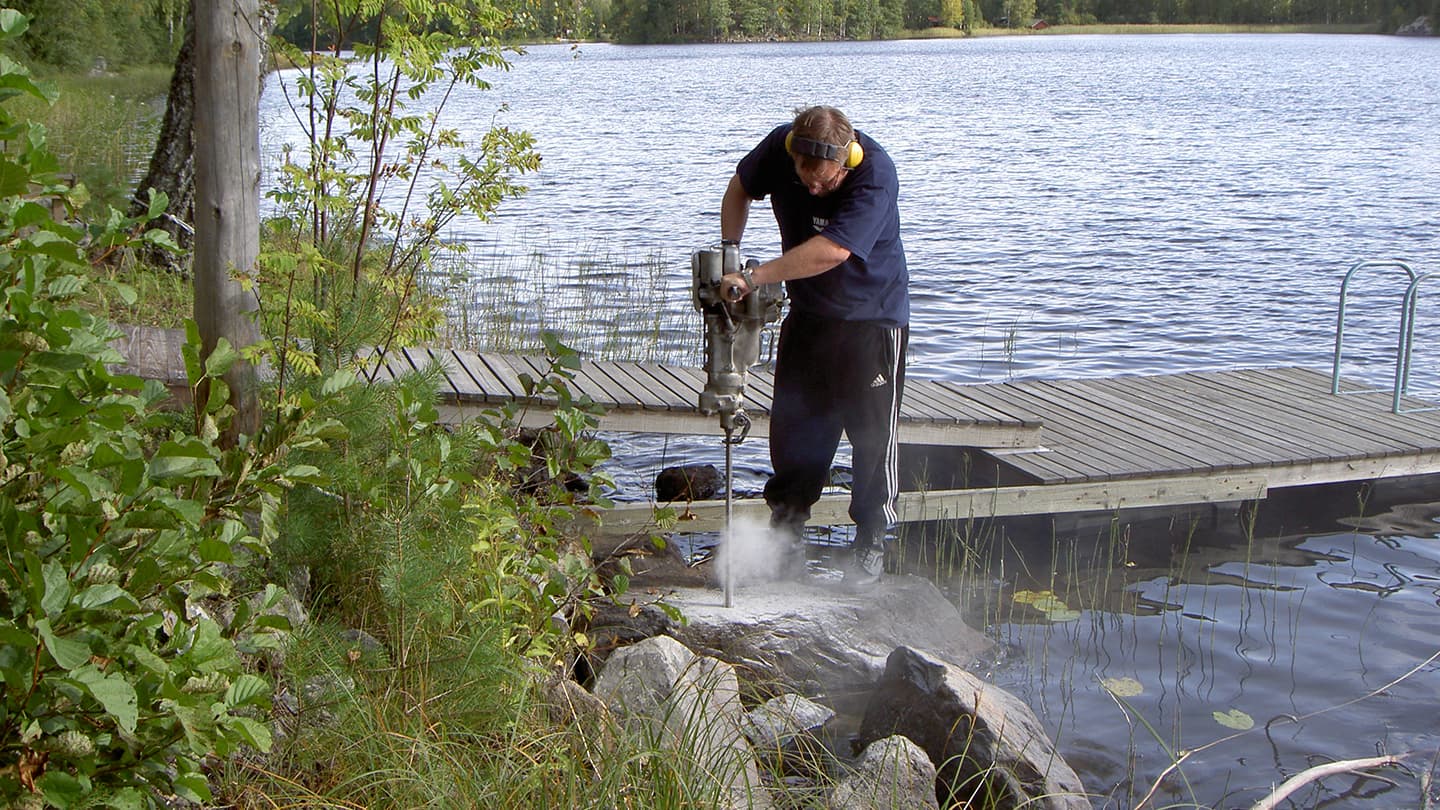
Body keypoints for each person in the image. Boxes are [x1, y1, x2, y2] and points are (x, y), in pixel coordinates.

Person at [718, 105, 909, 585]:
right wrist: (729, 253)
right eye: (807, 178)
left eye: (827, 181)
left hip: (872, 320)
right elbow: (740, 188)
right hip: (809, 316)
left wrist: (753, 277)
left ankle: (870, 541)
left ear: (849, 160)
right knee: (796, 427)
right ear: (794, 154)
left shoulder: (876, 175)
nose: (815, 189)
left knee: (871, 437)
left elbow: (833, 251)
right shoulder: (781, 148)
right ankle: (786, 536)